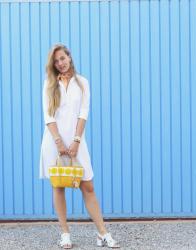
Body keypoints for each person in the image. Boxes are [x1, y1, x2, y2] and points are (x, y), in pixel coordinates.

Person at [39, 44, 120, 249]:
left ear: (69, 57)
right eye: (56, 61)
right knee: (58, 186)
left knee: (88, 186)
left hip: (77, 141)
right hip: (53, 141)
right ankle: (65, 234)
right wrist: (58, 142)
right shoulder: (49, 84)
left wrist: (75, 141)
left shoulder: (82, 82)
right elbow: (48, 116)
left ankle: (102, 233)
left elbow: (83, 112)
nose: (60, 63)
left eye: (62, 58)